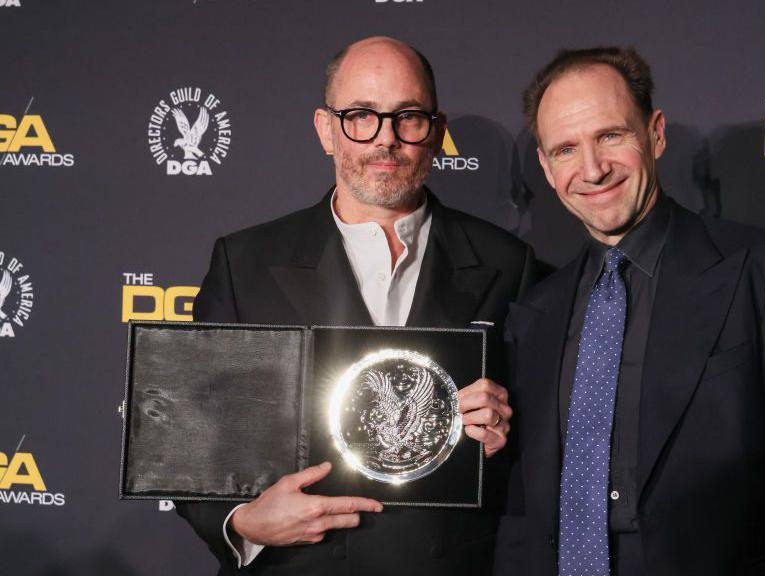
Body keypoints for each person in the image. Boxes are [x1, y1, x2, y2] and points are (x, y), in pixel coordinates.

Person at [493, 46, 765, 576]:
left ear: (655, 133)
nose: (593, 169)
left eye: (610, 137)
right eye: (566, 150)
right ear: (547, 170)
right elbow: (526, 512)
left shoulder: (764, 271)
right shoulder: (535, 310)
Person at [176, 36, 537, 575]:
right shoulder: (244, 261)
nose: (385, 139)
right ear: (326, 129)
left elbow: (546, 444)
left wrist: (505, 438)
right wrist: (242, 520)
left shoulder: (510, 263)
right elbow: (188, 428)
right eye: (361, 116)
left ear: (436, 132)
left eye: (407, 117)